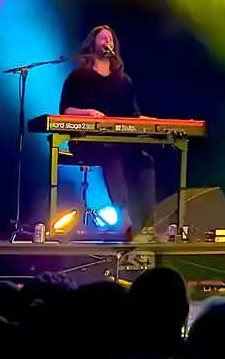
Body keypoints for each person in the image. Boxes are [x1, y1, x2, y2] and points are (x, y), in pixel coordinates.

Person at [59, 25, 157, 241]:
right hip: (87, 143)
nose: (107, 43)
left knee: (145, 161)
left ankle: (148, 224)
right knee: (111, 156)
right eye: (103, 39)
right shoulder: (78, 77)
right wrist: (88, 113)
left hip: (119, 143)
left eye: (110, 40)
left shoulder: (123, 81)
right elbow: (66, 110)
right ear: (92, 44)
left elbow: (132, 115)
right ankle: (124, 219)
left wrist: (154, 122)